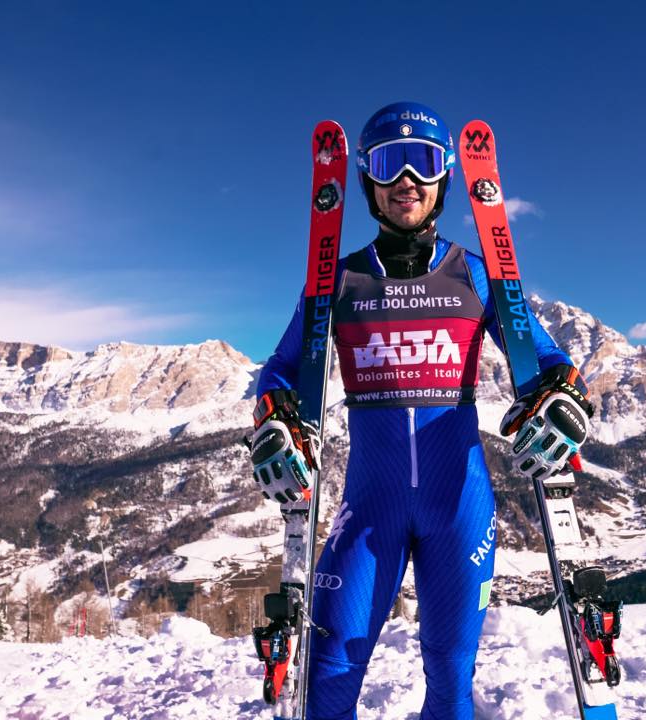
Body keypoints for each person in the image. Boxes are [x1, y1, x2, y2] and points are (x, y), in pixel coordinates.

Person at [250, 101, 594, 720]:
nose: (406, 180)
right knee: (326, 680)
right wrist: (274, 420)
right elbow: (279, 371)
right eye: (389, 163)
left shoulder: (475, 276)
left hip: (459, 510)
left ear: (443, 180)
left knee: (450, 682)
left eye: (423, 162)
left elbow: (545, 359)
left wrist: (565, 399)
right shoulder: (338, 280)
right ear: (367, 182)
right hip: (367, 512)